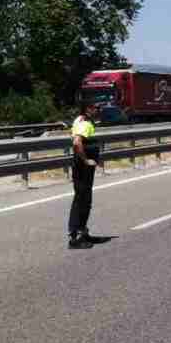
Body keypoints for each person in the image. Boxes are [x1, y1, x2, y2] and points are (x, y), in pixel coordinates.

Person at [68, 102, 101, 249]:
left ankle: (82, 232)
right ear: (88, 109)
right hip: (82, 167)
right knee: (82, 199)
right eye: (96, 107)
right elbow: (77, 142)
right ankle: (75, 238)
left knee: (82, 198)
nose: (98, 110)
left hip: (81, 166)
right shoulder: (85, 123)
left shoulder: (80, 120)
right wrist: (86, 160)